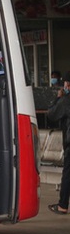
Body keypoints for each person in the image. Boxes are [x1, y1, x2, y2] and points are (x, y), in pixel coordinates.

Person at [47, 71, 70, 214]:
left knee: (67, 174)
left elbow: (52, 115)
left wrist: (58, 99)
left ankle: (62, 205)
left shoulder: (66, 100)